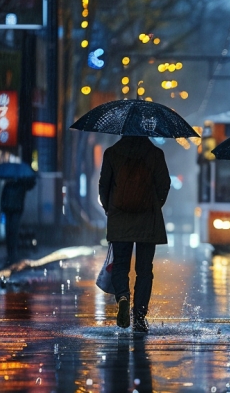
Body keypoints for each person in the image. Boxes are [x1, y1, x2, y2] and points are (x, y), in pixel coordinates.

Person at [99, 136, 170, 333]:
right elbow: (164, 184)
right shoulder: (156, 154)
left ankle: (122, 296)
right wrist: (154, 205)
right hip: (148, 220)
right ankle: (139, 316)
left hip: (120, 219)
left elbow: (103, 185)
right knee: (144, 270)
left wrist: (110, 208)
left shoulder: (112, 153)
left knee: (121, 265)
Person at [0, 177, 35, 265]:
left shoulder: (19, 185)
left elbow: (30, 186)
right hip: (11, 211)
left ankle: (12, 255)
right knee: (10, 234)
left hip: (14, 211)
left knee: (13, 233)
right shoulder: (11, 186)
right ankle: (11, 255)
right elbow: (3, 198)